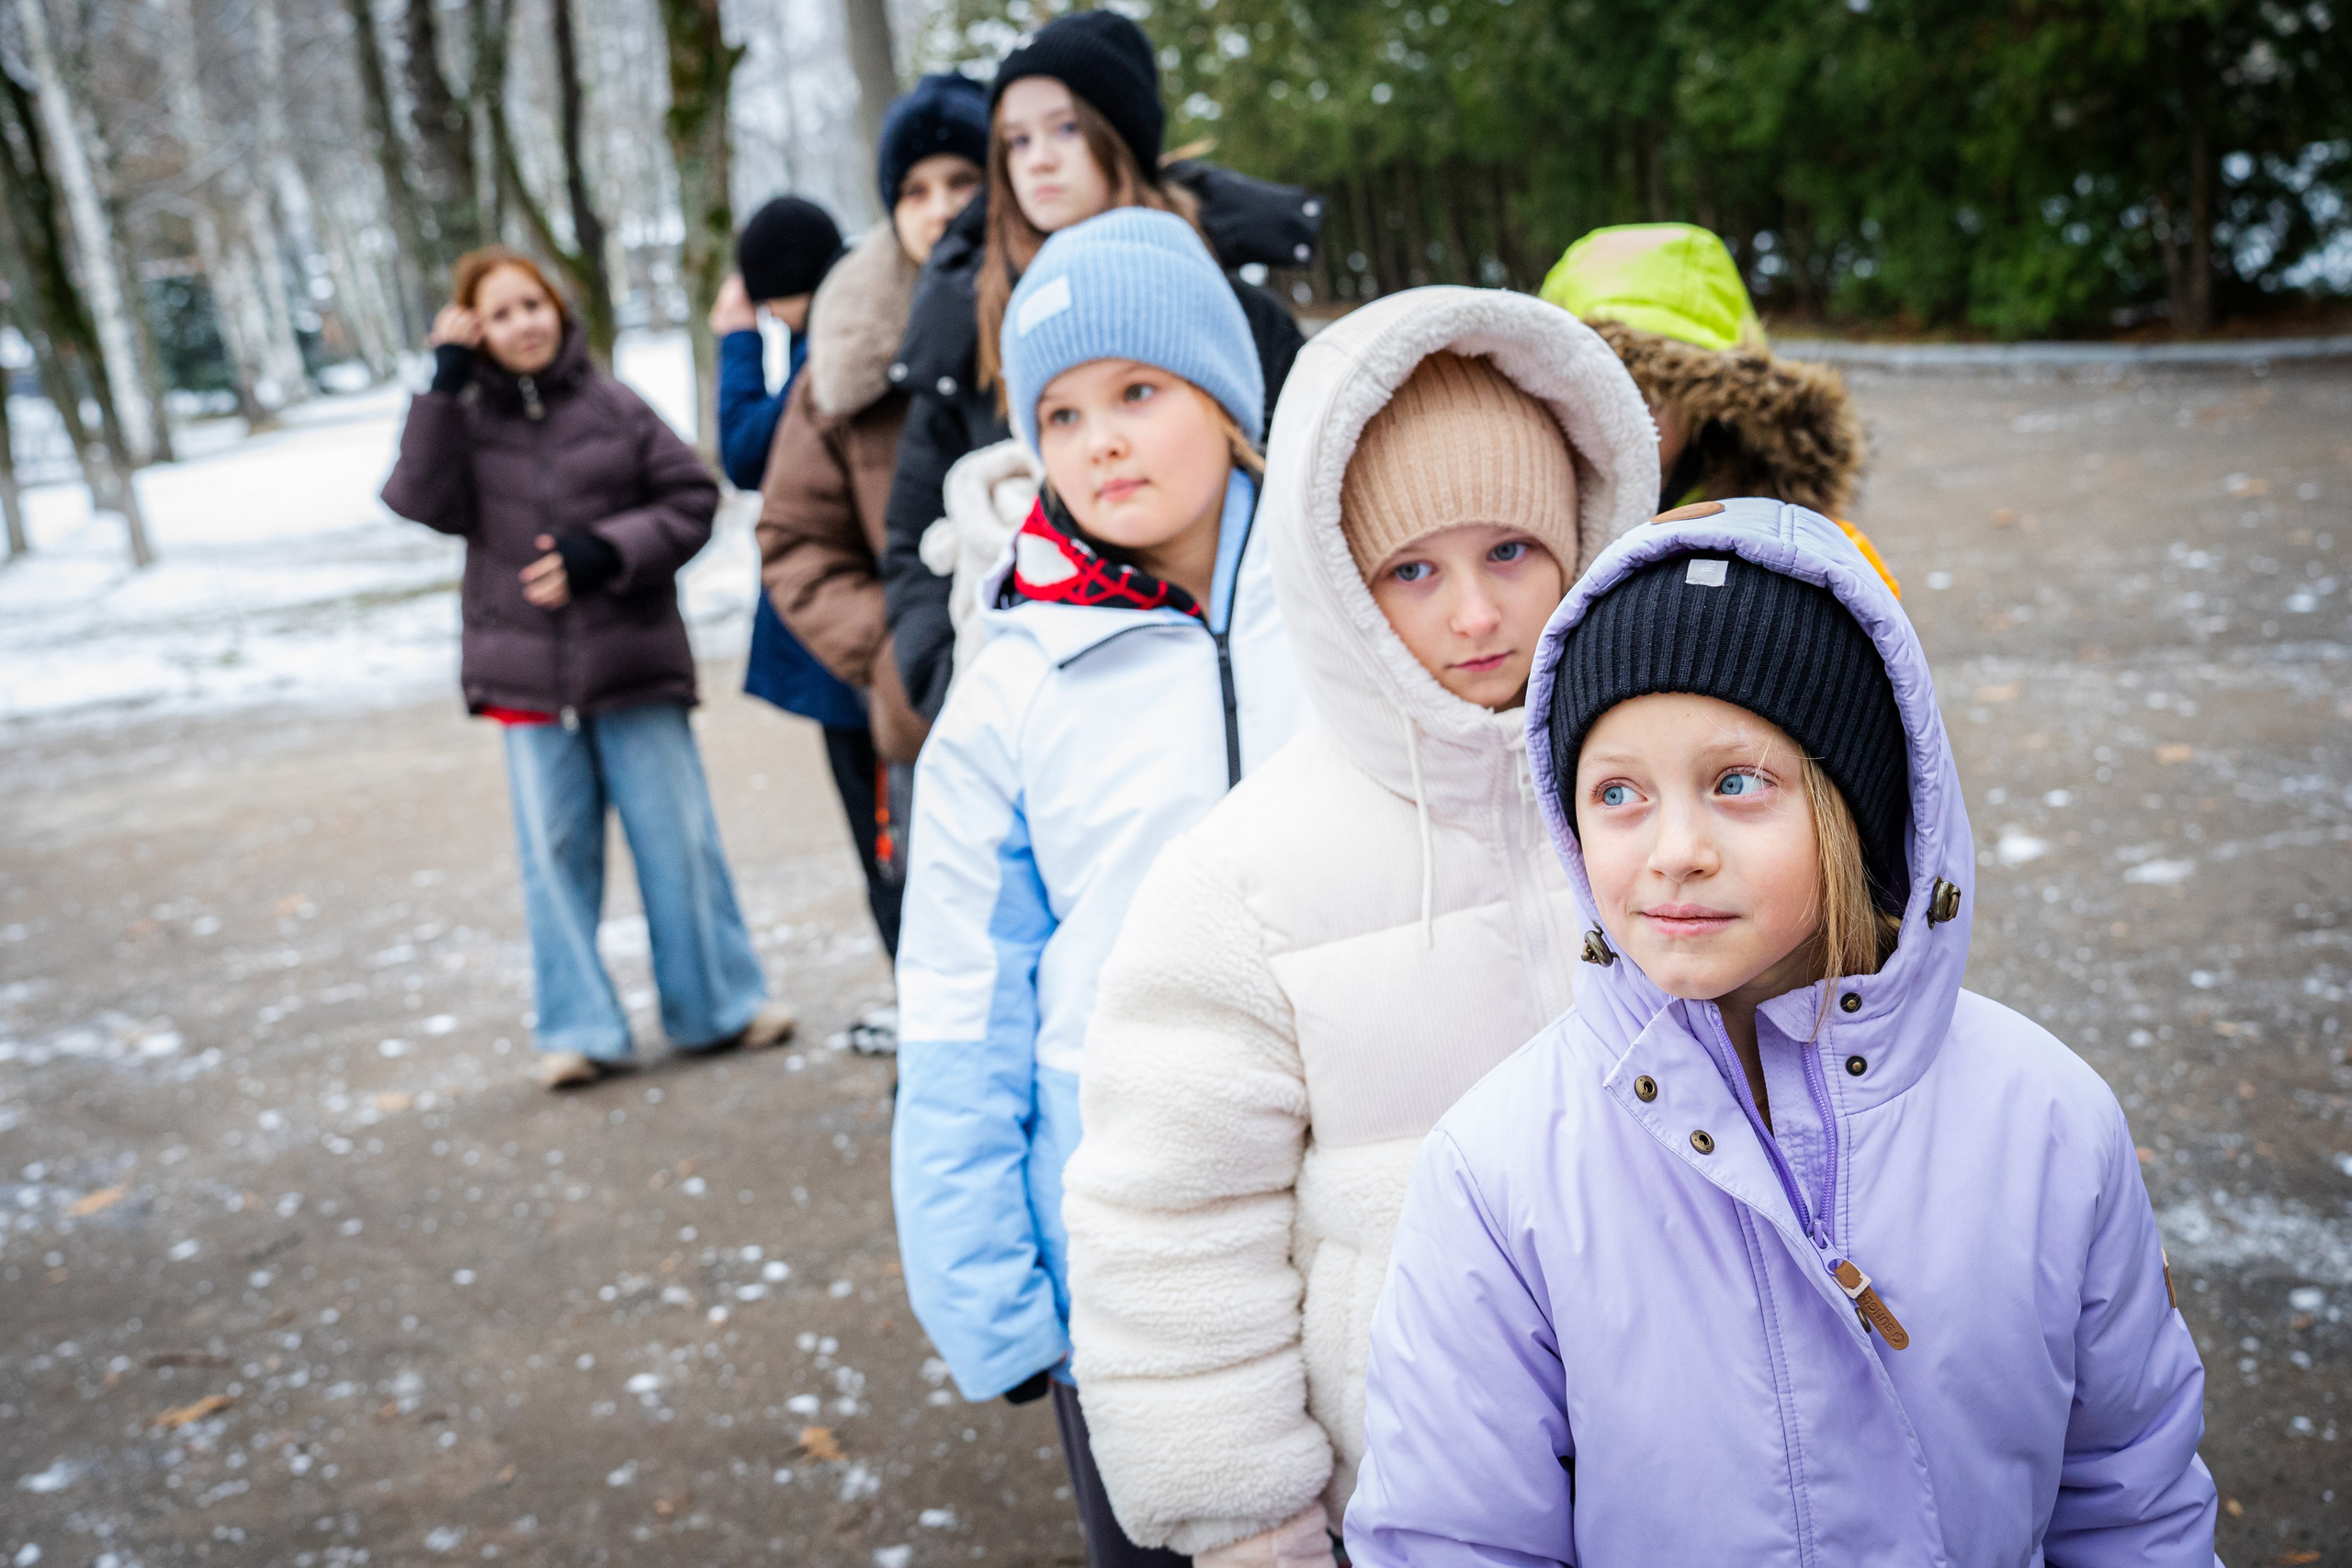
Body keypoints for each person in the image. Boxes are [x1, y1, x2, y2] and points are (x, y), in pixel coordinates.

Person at [1343, 498, 2221, 1564]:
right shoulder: (1502, 1166)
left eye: (1736, 784)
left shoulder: (2047, 1119)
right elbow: (1453, 1536)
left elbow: (2128, 1500)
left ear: (1857, 806)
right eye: (1616, 792)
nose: (1674, 849)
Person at [1058, 287, 1659, 1565]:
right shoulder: (1245, 879)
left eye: (1512, 551)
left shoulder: (1660, 810)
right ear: (1337, 583)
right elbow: (1170, 1227)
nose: (1478, 615)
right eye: (1412, 570)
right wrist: (1251, 1524)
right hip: (1409, 1487)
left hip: (1680, 1452)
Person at [889, 209, 1310, 1568]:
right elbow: (961, 986)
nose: (1102, 439)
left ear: (1227, 397)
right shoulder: (1015, 681)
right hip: (1125, 1242)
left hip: (1367, 1200)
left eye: (1140, 390)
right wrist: (986, 1285)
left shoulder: (1350, 596)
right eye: (1060, 414)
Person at [380, 247, 793, 1089]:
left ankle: (717, 1004)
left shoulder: (613, 405)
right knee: (554, 854)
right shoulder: (461, 419)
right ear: (474, 329)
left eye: (533, 304)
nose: (522, 324)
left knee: (677, 845)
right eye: (498, 314)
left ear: (559, 311)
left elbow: (693, 499)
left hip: (633, 662)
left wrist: (607, 553)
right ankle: (579, 1028)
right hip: (527, 681)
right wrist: (442, 380)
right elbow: (415, 498)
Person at [879, 7, 1322, 727]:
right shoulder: (965, 326)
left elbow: (1317, 480)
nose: (1039, 160)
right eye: (1015, 141)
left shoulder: (1234, 309)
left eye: (1064, 128)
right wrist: (951, 681)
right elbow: (911, 534)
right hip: (1057, 711)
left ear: (1119, 132)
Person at [755, 75, 989, 960]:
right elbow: (794, 541)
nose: (939, 210)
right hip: (927, 714)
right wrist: (901, 654)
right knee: (948, 944)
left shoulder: (1062, 314)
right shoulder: (844, 357)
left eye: (962, 183)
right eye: (913, 192)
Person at [709, 196, 876, 749]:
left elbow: (749, 454)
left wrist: (739, 339)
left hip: (855, 620)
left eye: (769, 303)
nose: (769, 317)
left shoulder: (839, 338)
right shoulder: (854, 313)